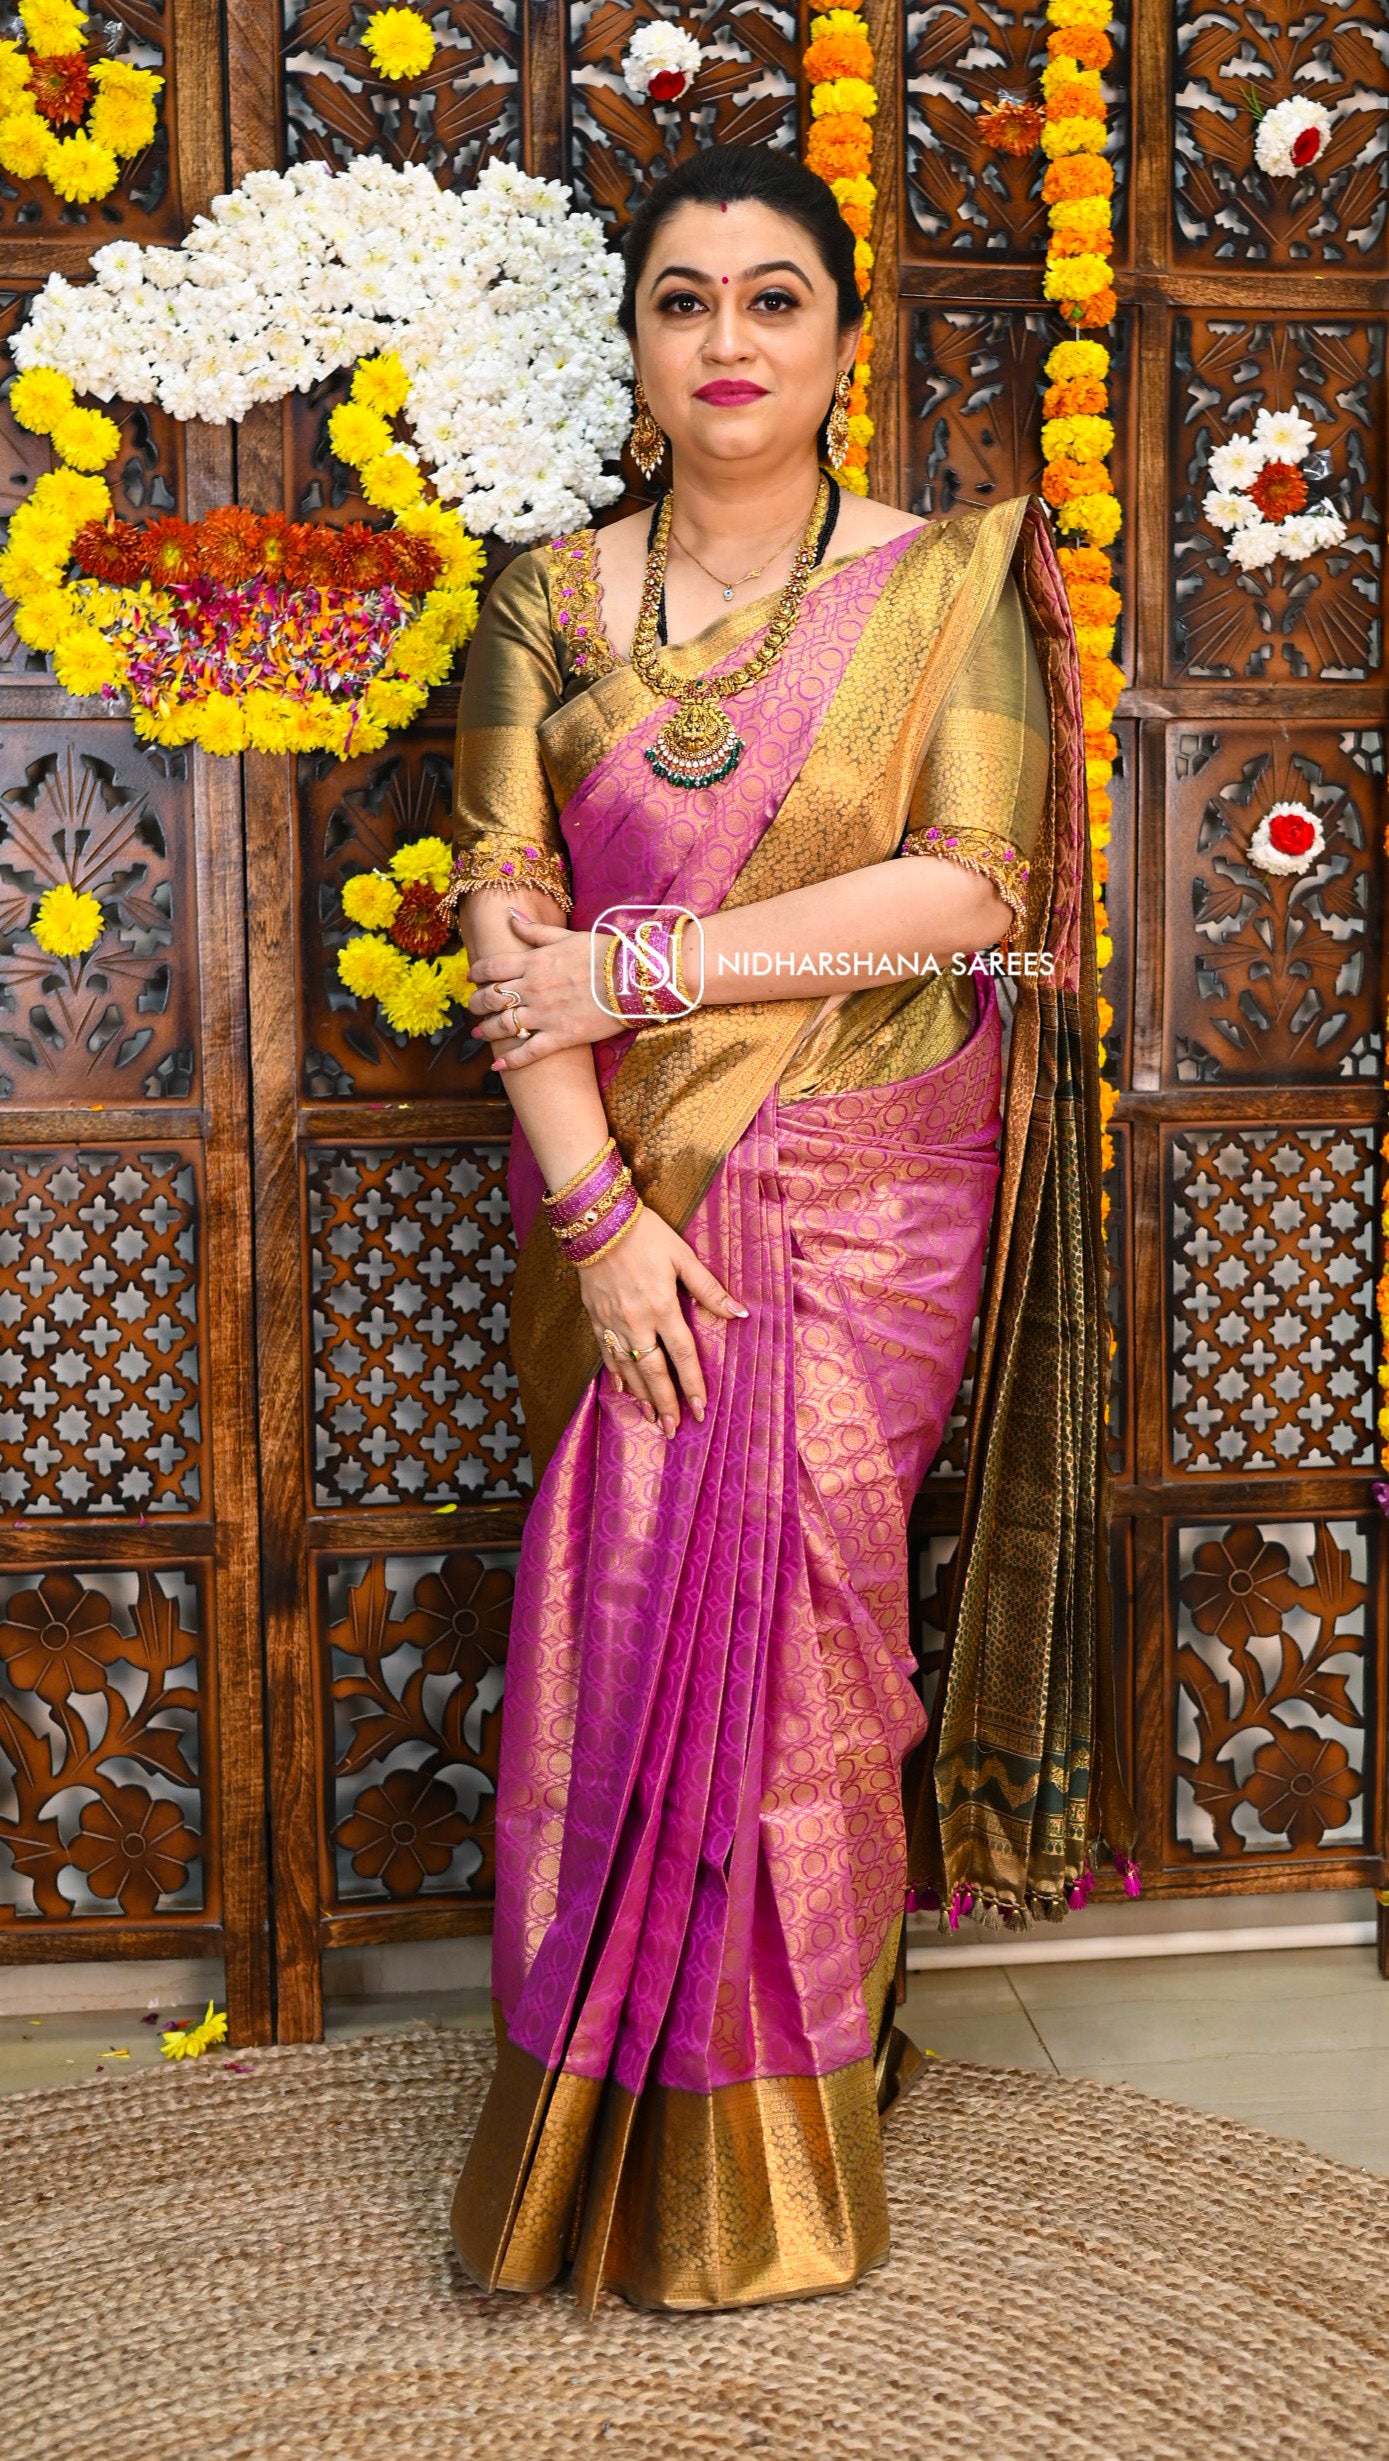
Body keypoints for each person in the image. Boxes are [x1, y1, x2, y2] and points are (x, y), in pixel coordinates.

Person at [442, 141, 1137, 2315]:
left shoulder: (945, 584)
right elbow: (502, 924)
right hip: (628, 1190)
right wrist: (595, 1216)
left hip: (867, 1183)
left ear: (844, 340)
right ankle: (620, 2124)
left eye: (771, 298)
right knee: (623, 1617)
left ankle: (785, 2121)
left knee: (815, 1644)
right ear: (635, 348)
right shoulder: (546, 600)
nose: (725, 339)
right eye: (683, 301)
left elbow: (966, 890)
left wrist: (642, 971)